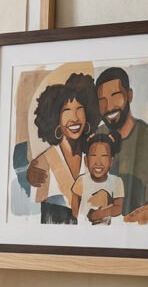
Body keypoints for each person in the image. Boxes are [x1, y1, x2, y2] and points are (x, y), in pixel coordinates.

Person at [95, 67, 148, 223]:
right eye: (102, 101)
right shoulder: (98, 136)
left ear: (129, 95)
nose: (108, 107)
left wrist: (126, 223)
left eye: (115, 96)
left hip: (139, 233)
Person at [25, 72, 101, 224]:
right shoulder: (42, 163)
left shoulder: (93, 159)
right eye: (66, 111)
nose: (74, 118)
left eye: (79, 109)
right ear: (55, 119)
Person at [71, 130, 124, 224]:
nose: (98, 162)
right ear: (86, 160)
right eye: (93, 156)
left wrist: (98, 214)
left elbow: (118, 208)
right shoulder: (81, 181)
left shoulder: (116, 181)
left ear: (111, 161)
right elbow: (74, 212)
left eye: (104, 156)